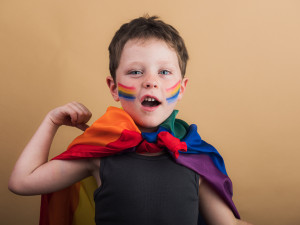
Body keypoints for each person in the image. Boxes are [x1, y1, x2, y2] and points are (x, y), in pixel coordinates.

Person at [9, 16, 252, 225]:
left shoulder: (197, 158)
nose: (150, 81)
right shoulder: (98, 153)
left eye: (164, 72)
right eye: (136, 72)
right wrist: (51, 121)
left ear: (182, 88)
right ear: (114, 88)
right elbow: (22, 182)